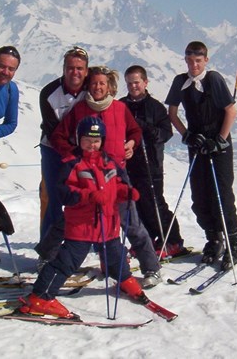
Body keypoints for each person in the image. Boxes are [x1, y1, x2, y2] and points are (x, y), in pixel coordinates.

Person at [19, 117, 150, 318]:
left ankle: (124, 280)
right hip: (81, 226)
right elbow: (62, 193)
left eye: (96, 140)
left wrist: (125, 192)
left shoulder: (111, 162)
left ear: (103, 141)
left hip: (109, 225)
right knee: (66, 262)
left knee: (116, 256)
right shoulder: (72, 163)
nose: (92, 144)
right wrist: (87, 196)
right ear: (79, 140)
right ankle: (41, 297)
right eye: (87, 139)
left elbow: (118, 185)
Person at [51, 66, 162, 288]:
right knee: (82, 223)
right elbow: (58, 136)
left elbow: (134, 132)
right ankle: (57, 260)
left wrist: (131, 144)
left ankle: (151, 267)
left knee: (129, 223)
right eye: (94, 83)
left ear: (109, 86)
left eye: (102, 83)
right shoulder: (80, 109)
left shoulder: (120, 108)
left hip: (115, 176)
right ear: (88, 86)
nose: (98, 87)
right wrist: (74, 156)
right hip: (88, 179)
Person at [165, 41, 237, 271]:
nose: (193, 65)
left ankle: (234, 243)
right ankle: (214, 240)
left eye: (198, 60)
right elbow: (172, 112)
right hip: (198, 144)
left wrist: (220, 139)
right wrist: (187, 135)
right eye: (189, 60)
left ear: (206, 60)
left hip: (218, 144)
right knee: (200, 196)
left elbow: (231, 110)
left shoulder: (214, 79)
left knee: (221, 195)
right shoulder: (180, 81)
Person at [120, 65, 186, 259]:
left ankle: (173, 240)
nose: (133, 86)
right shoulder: (121, 104)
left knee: (155, 204)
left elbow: (166, 133)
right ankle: (146, 239)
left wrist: (148, 129)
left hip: (151, 164)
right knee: (137, 204)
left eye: (137, 82)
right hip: (130, 163)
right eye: (130, 83)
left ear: (145, 82)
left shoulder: (155, 107)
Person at [35, 46, 89, 264]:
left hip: (85, 150)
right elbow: (52, 130)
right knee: (53, 199)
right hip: (53, 150)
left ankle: (81, 244)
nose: (74, 73)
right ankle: (47, 254)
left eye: (79, 68)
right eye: (70, 68)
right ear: (63, 69)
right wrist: (71, 155)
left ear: (86, 70)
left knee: (84, 197)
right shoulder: (49, 93)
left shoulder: (92, 88)